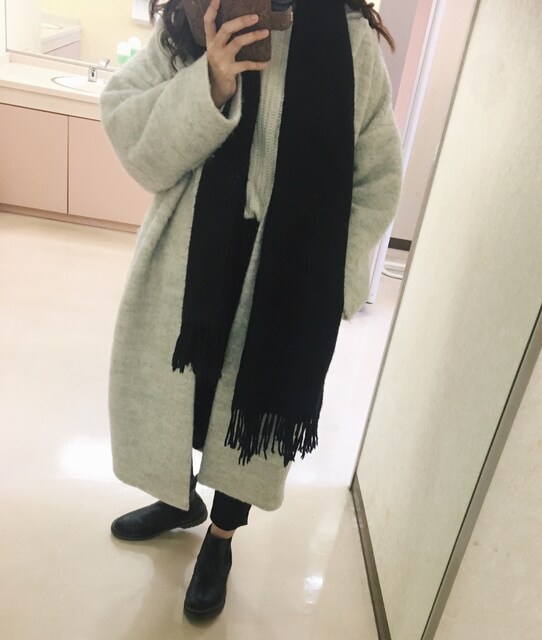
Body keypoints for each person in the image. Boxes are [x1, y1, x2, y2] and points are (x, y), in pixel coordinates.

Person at [100, 0, 402, 620]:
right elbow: (132, 134)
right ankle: (179, 499)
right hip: (191, 256)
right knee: (184, 394)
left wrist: (330, 275)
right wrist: (209, 81)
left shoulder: (350, 43)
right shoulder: (197, 18)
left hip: (290, 274)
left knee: (254, 409)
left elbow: (377, 178)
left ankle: (221, 540)